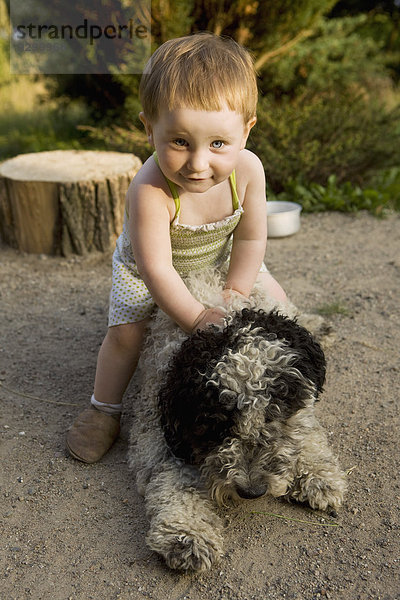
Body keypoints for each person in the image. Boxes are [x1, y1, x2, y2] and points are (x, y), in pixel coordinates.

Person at [66, 32, 287, 463]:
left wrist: (237, 291)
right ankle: (104, 409)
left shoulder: (249, 171)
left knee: (276, 308)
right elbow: (157, 269)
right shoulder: (150, 189)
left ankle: (268, 398)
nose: (199, 163)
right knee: (126, 334)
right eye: (180, 142)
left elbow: (250, 237)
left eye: (218, 143)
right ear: (149, 128)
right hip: (149, 269)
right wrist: (197, 315)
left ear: (247, 129)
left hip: (221, 256)